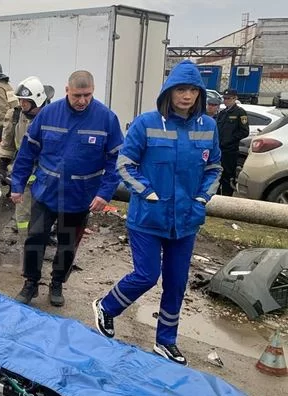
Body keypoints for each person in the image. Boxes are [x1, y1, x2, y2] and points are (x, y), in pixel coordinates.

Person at [92, 60, 222, 366]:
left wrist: (202, 198)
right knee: (147, 275)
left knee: (176, 282)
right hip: (148, 218)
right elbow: (125, 163)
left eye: (192, 90)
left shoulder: (208, 127)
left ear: (200, 93)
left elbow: (214, 168)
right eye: (180, 89)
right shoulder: (147, 123)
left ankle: (166, 341)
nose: (187, 96)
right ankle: (107, 307)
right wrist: (147, 192)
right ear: (169, 91)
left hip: (186, 221)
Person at [10, 70, 122, 307]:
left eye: (87, 95)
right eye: (77, 95)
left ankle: (57, 283)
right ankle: (30, 283)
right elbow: (27, 152)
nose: (82, 101)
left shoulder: (106, 119)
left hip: (79, 197)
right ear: (66, 91)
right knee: (35, 239)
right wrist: (18, 184)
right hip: (46, 193)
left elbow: (116, 161)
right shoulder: (49, 114)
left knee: (67, 245)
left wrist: (104, 193)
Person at [0, 76, 55, 233]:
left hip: (47, 178)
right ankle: (25, 247)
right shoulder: (15, 115)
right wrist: (3, 165)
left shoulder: (52, 117)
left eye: (26, 100)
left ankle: (44, 237)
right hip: (24, 176)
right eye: (21, 100)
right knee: (23, 217)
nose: (22, 103)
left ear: (38, 100)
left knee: (45, 215)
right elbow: (7, 142)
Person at [216, 89, 249, 196]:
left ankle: (226, 199)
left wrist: (230, 140)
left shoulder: (240, 113)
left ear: (235, 98)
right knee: (216, 176)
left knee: (228, 177)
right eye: (224, 98)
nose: (225, 101)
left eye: (228, 98)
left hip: (230, 151)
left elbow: (244, 131)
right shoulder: (222, 113)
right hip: (219, 150)